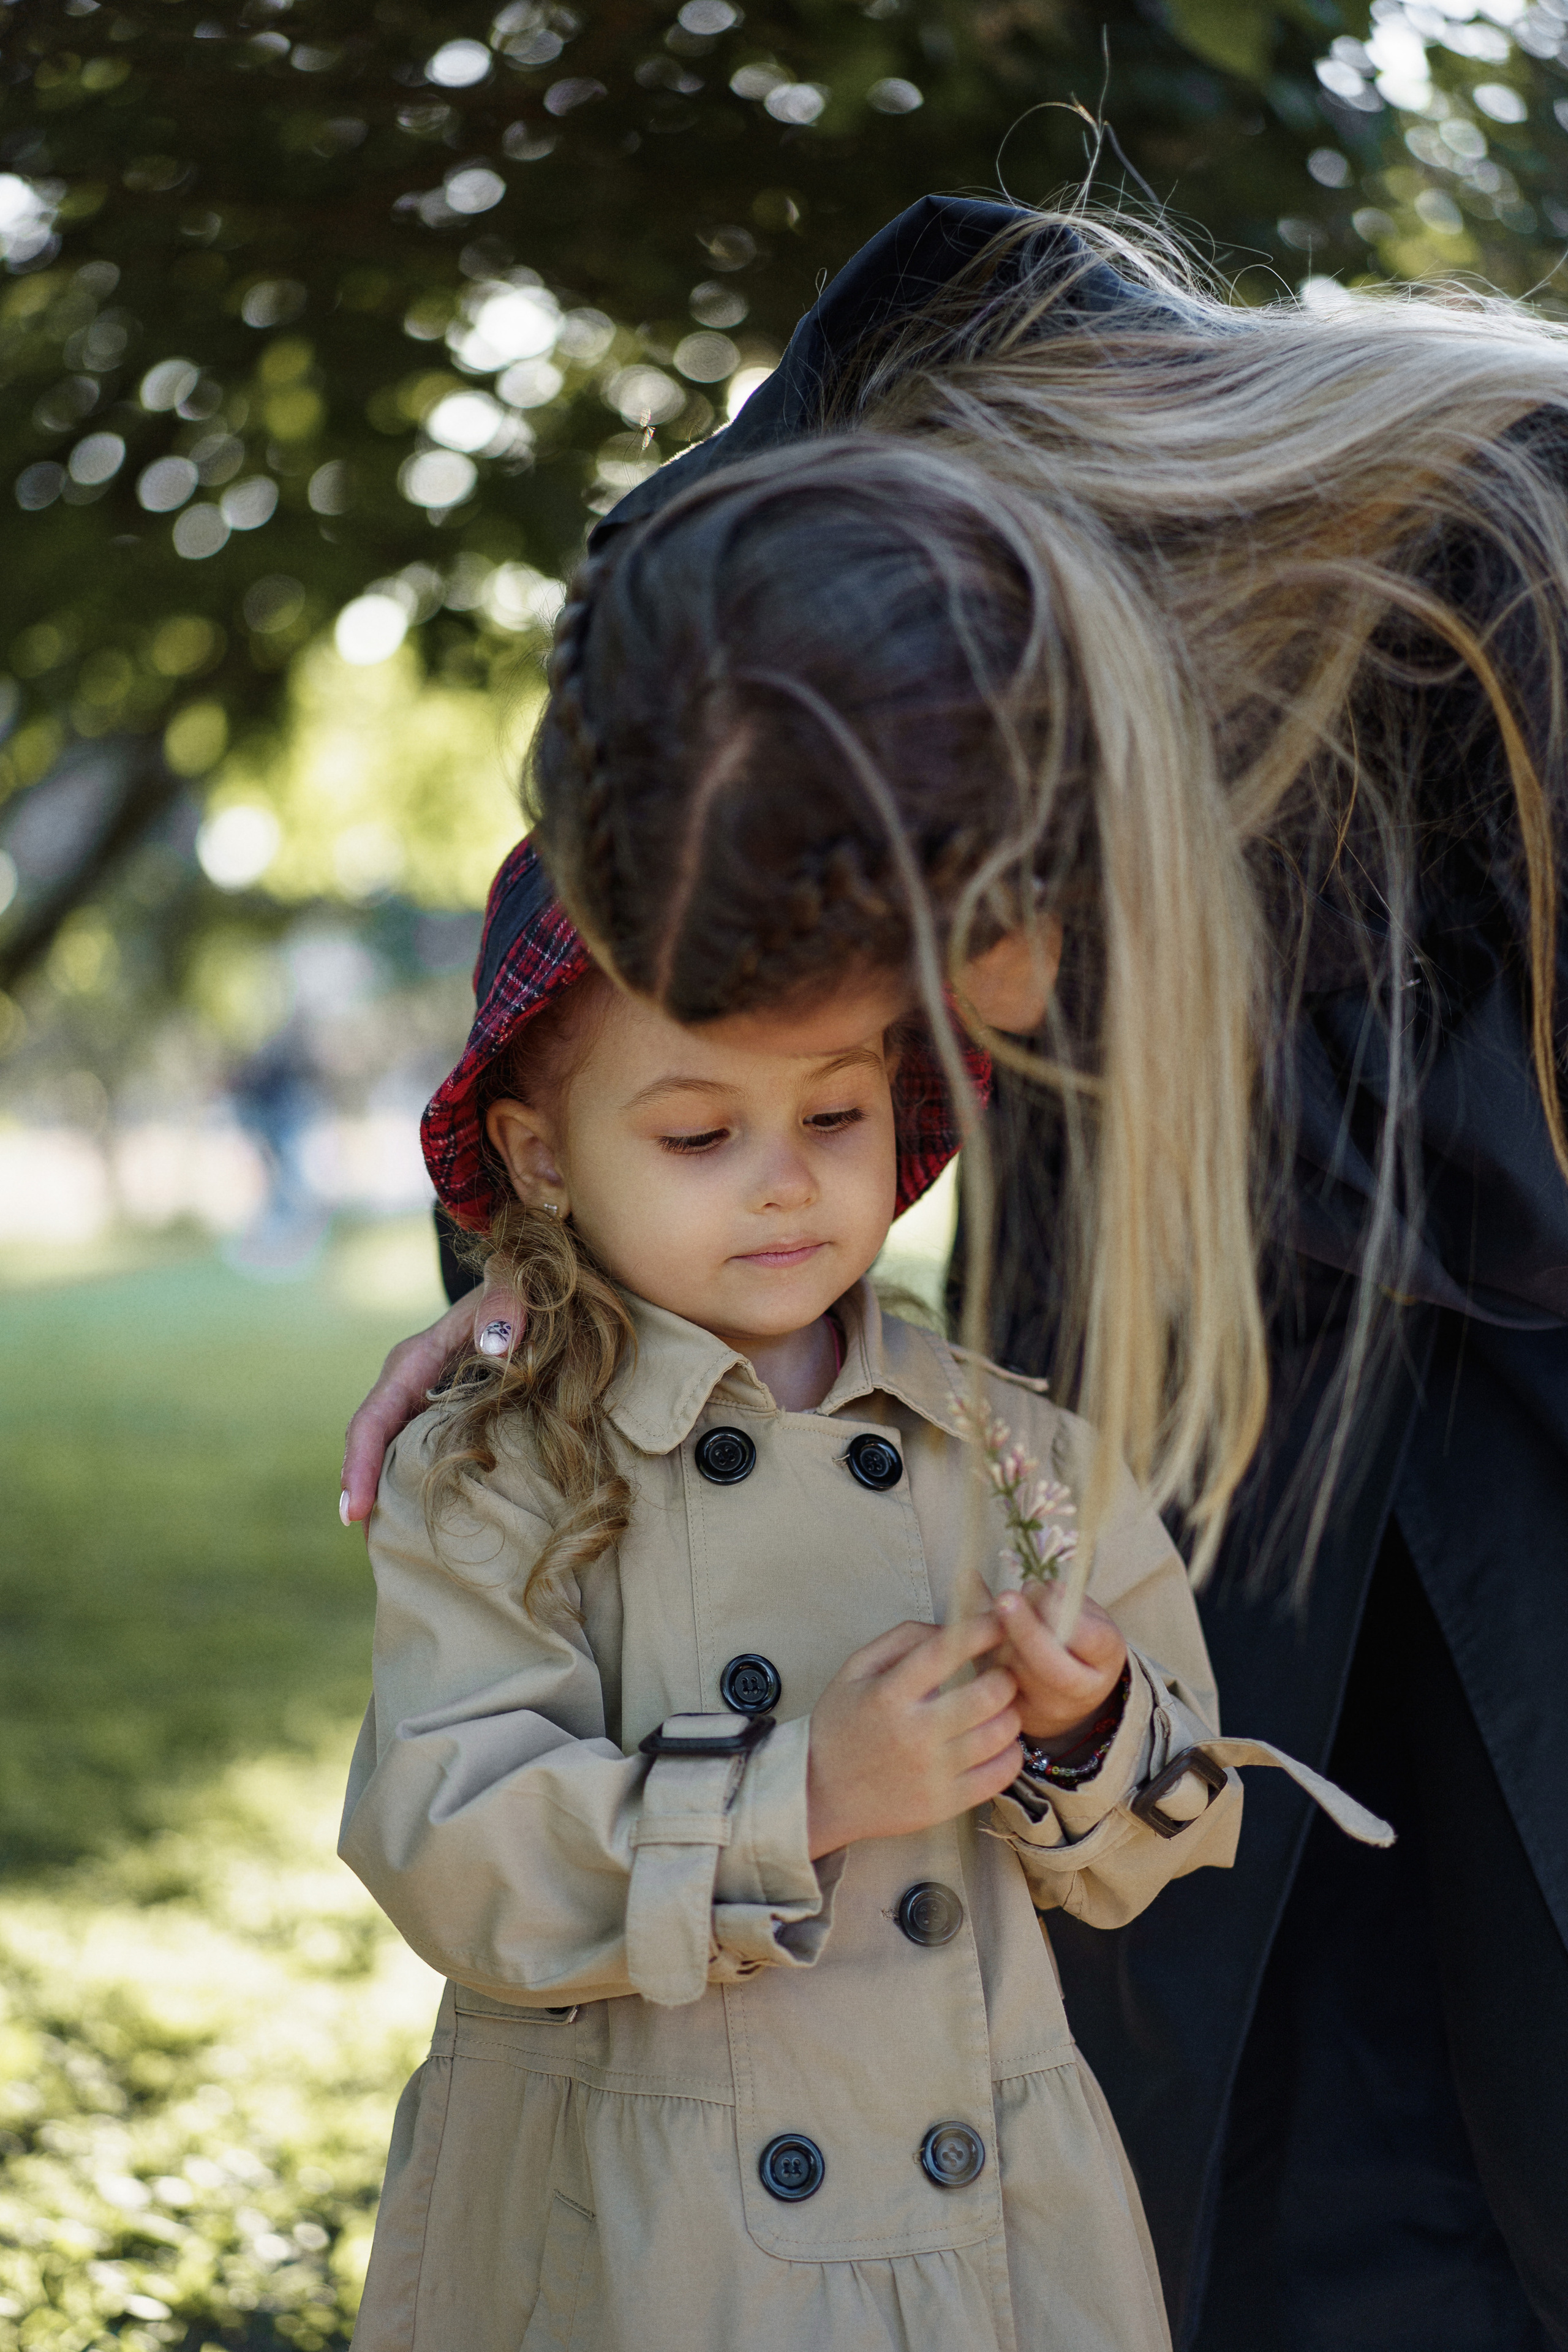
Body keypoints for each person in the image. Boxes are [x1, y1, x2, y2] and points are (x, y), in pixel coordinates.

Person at [341, 198, 1568, 2351]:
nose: (858, 1123)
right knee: (1243, 2095)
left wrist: (1277, 1052)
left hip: (1518, 1366)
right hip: (1183, 1337)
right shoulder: (760, 548)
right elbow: (609, 946)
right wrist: (544, 1263)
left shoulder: (1510, 582)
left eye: (870, 1060)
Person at [341, 899, 1381, 2352]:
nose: (783, 1185)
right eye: (700, 1138)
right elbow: (449, 1845)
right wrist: (804, 1793)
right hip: (638, 2215)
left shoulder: (1025, 1458)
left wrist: (1084, 1727)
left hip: (981, 2203)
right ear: (539, 1155)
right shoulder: (501, 1472)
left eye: (832, 1115)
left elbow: (1175, 1833)